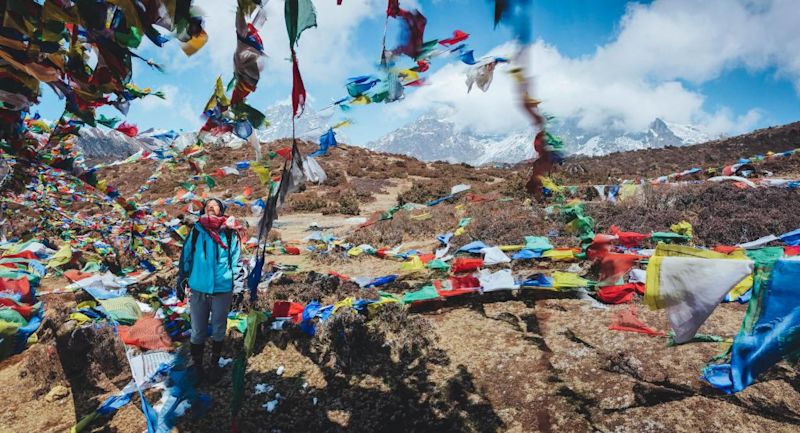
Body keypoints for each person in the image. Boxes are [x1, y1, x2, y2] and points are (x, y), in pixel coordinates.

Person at [177, 198, 244, 382]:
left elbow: (237, 262)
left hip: (223, 289)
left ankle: (214, 364)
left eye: (215, 205)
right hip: (198, 288)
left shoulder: (230, 234)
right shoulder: (196, 232)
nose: (211, 207)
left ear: (221, 210)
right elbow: (186, 258)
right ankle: (198, 367)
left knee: (219, 329)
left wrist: (238, 288)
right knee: (197, 330)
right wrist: (181, 281)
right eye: (208, 205)